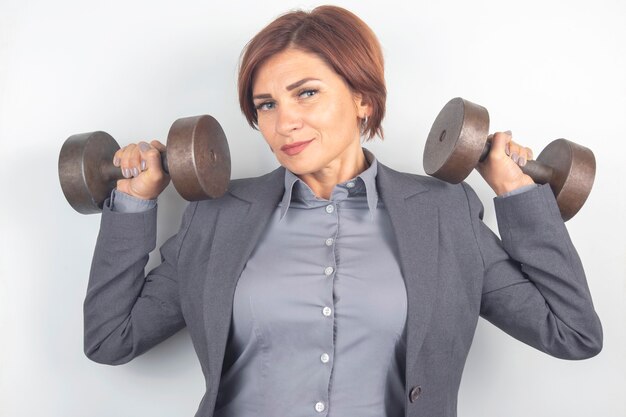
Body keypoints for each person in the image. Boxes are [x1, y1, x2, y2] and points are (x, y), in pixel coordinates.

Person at [83, 5, 602, 417]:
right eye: (266, 105)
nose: (285, 122)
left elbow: (572, 334)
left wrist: (518, 195)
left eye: (306, 93)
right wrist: (134, 200)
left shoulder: (445, 214)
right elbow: (111, 340)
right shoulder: (217, 216)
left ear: (363, 100)